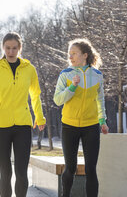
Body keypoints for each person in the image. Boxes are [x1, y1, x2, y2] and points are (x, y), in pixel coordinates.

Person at [0, 32, 46, 197]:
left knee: (21, 172)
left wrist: (39, 117)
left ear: (20, 48)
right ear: (3, 48)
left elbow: (35, 96)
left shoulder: (29, 70)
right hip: (1, 126)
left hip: (23, 125)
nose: (11, 51)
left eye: (14, 48)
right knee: (5, 173)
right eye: (7, 48)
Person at [53, 38, 109, 197]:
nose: (70, 57)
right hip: (69, 126)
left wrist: (102, 121)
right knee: (71, 167)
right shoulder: (66, 74)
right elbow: (58, 100)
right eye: (69, 54)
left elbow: (100, 99)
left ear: (85, 55)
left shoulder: (97, 75)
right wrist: (72, 86)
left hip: (91, 126)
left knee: (91, 169)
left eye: (74, 53)